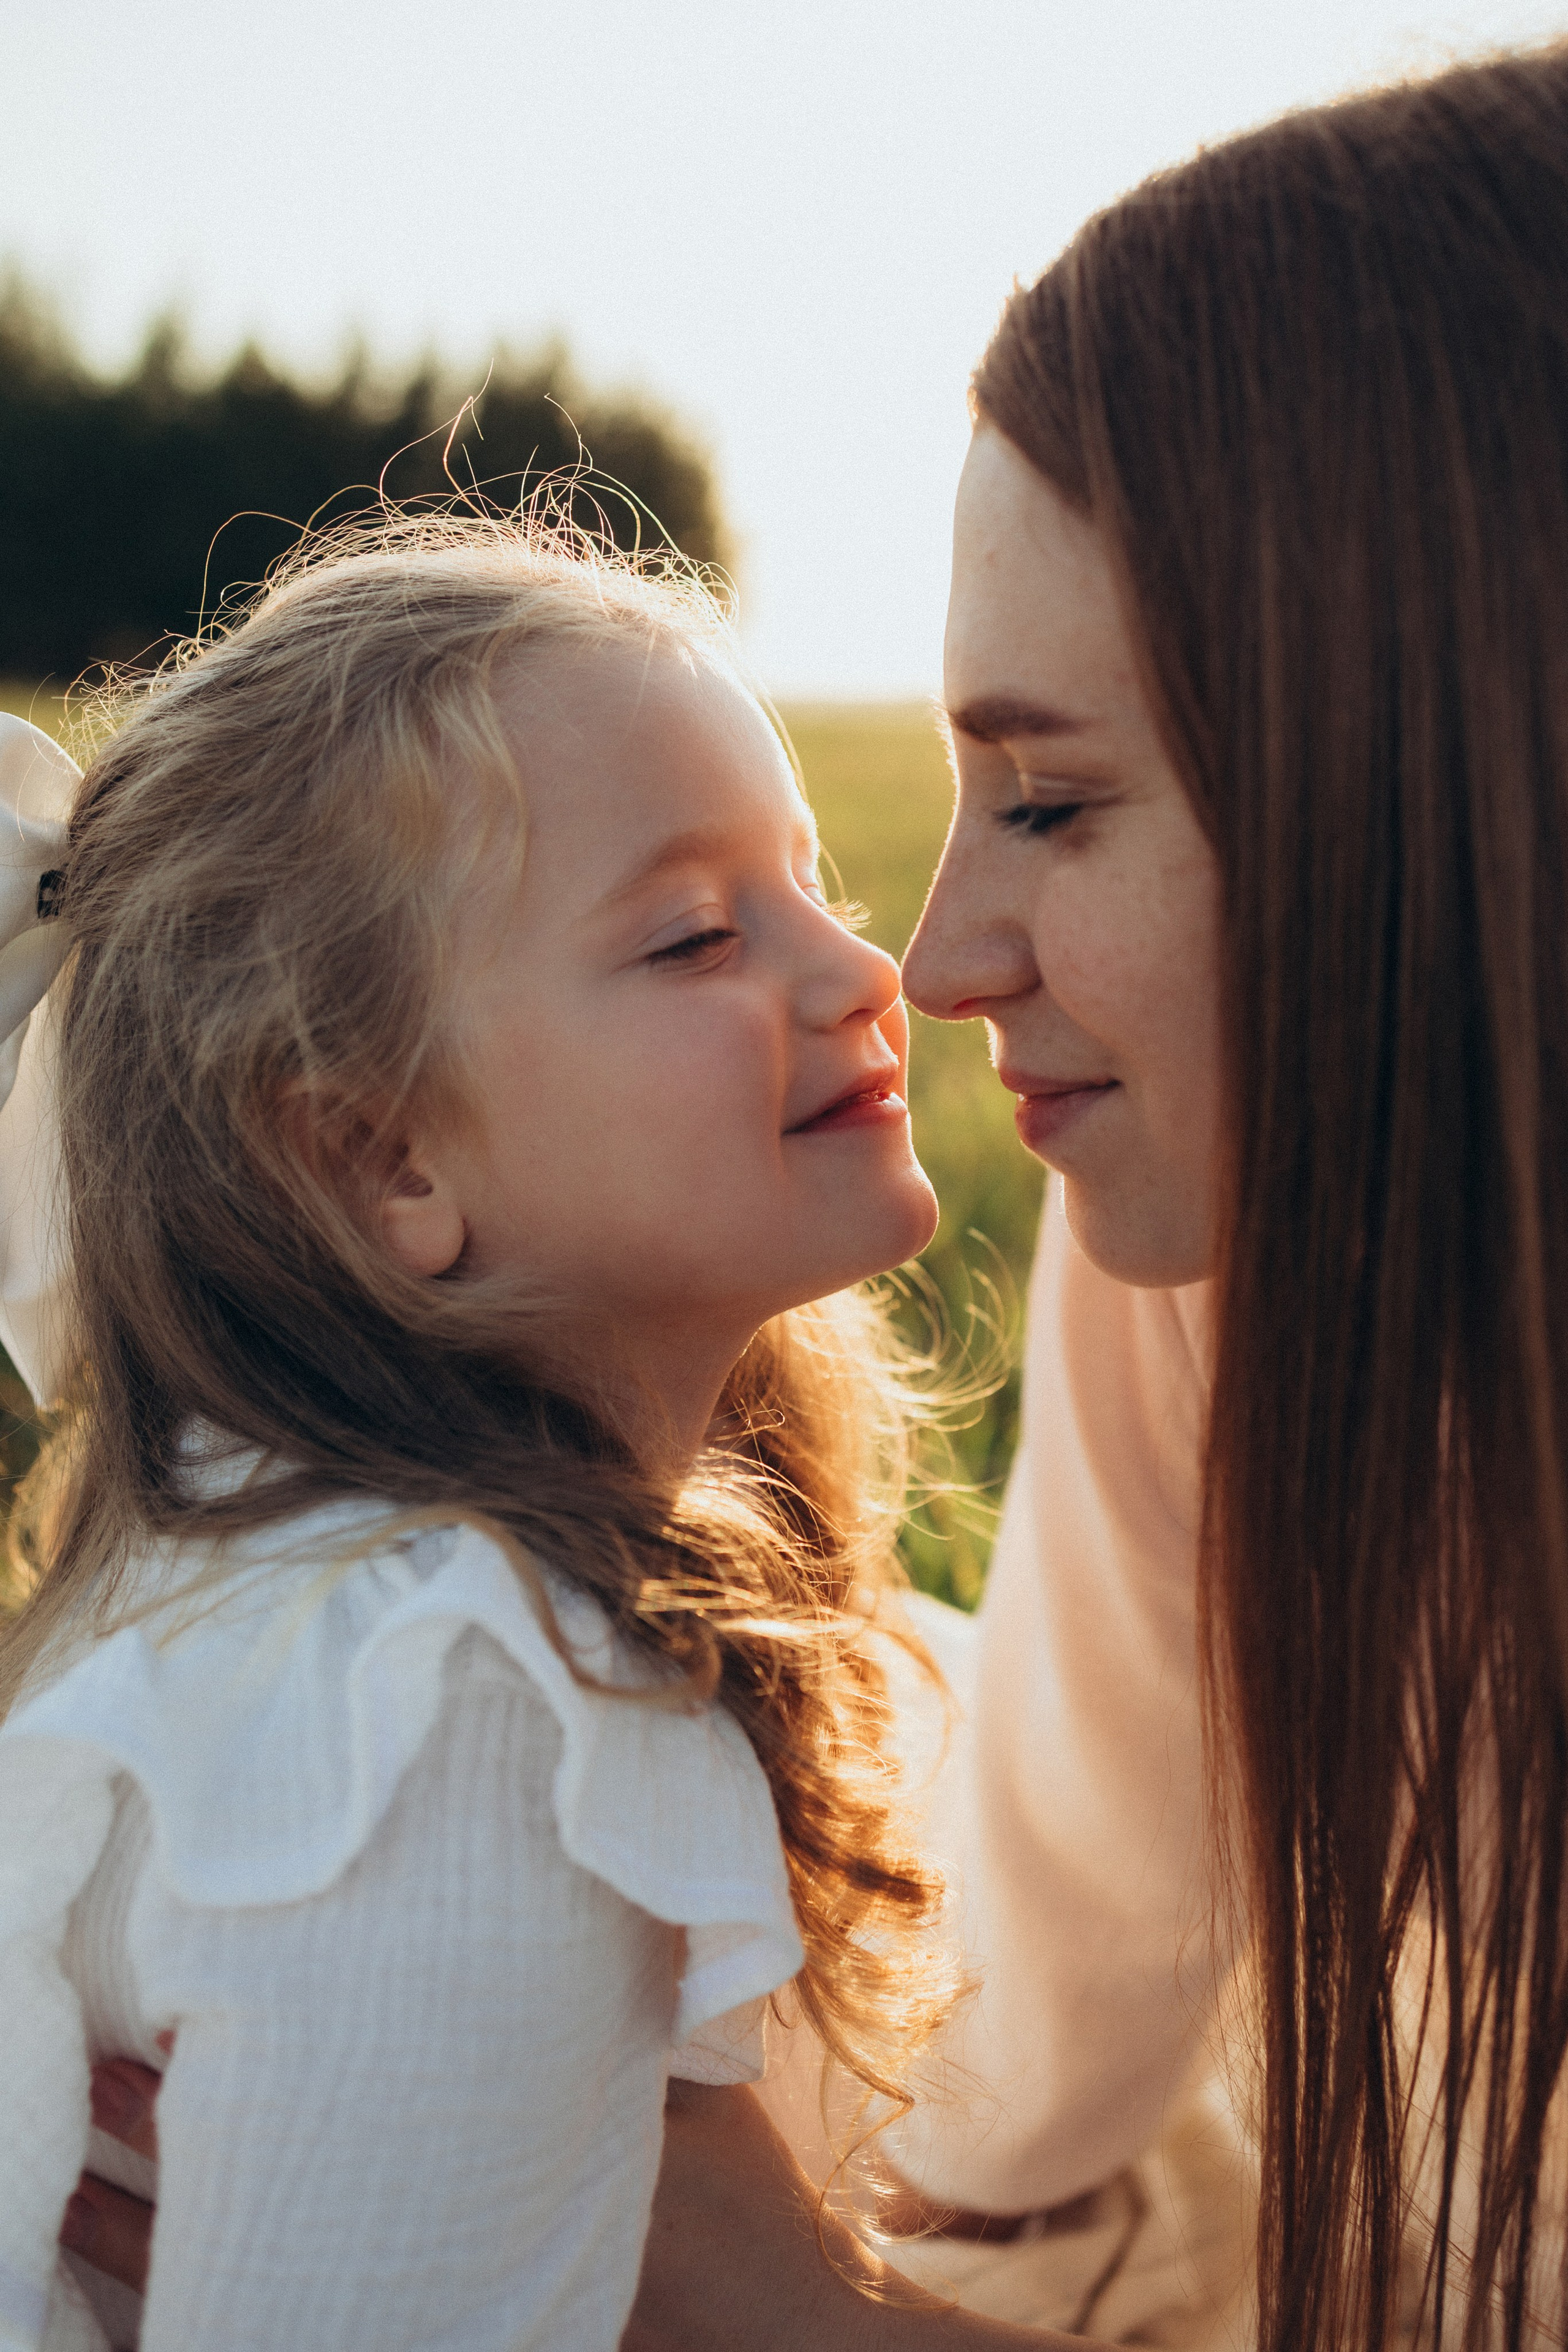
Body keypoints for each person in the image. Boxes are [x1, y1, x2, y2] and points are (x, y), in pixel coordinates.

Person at [45, 36, 1568, 2352]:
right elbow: (1026, 2079)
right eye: (690, 926)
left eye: (1055, 804)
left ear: (1462, 781)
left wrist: (744, 2285)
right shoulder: (1203, 1256)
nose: (923, 968)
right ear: (368, 1155)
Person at [0, 524, 998, 2352]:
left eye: (806, 879)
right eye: (698, 933)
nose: (865, 967)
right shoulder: (446, 1703)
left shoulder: (297, 1592)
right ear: (385, 1157)